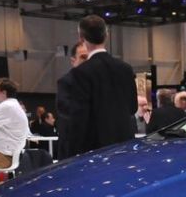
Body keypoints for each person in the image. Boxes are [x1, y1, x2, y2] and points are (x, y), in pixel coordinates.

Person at [58, 15, 137, 159]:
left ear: (81, 37)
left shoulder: (81, 72)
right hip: (125, 146)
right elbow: (133, 107)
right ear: (106, 35)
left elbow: (79, 118)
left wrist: (72, 154)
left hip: (95, 150)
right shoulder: (126, 68)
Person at [55, 41, 87, 159]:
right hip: (72, 143)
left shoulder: (99, 82)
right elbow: (65, 108)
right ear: (73, 61)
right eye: (83, 57)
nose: (88, 61)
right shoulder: (66, 82)